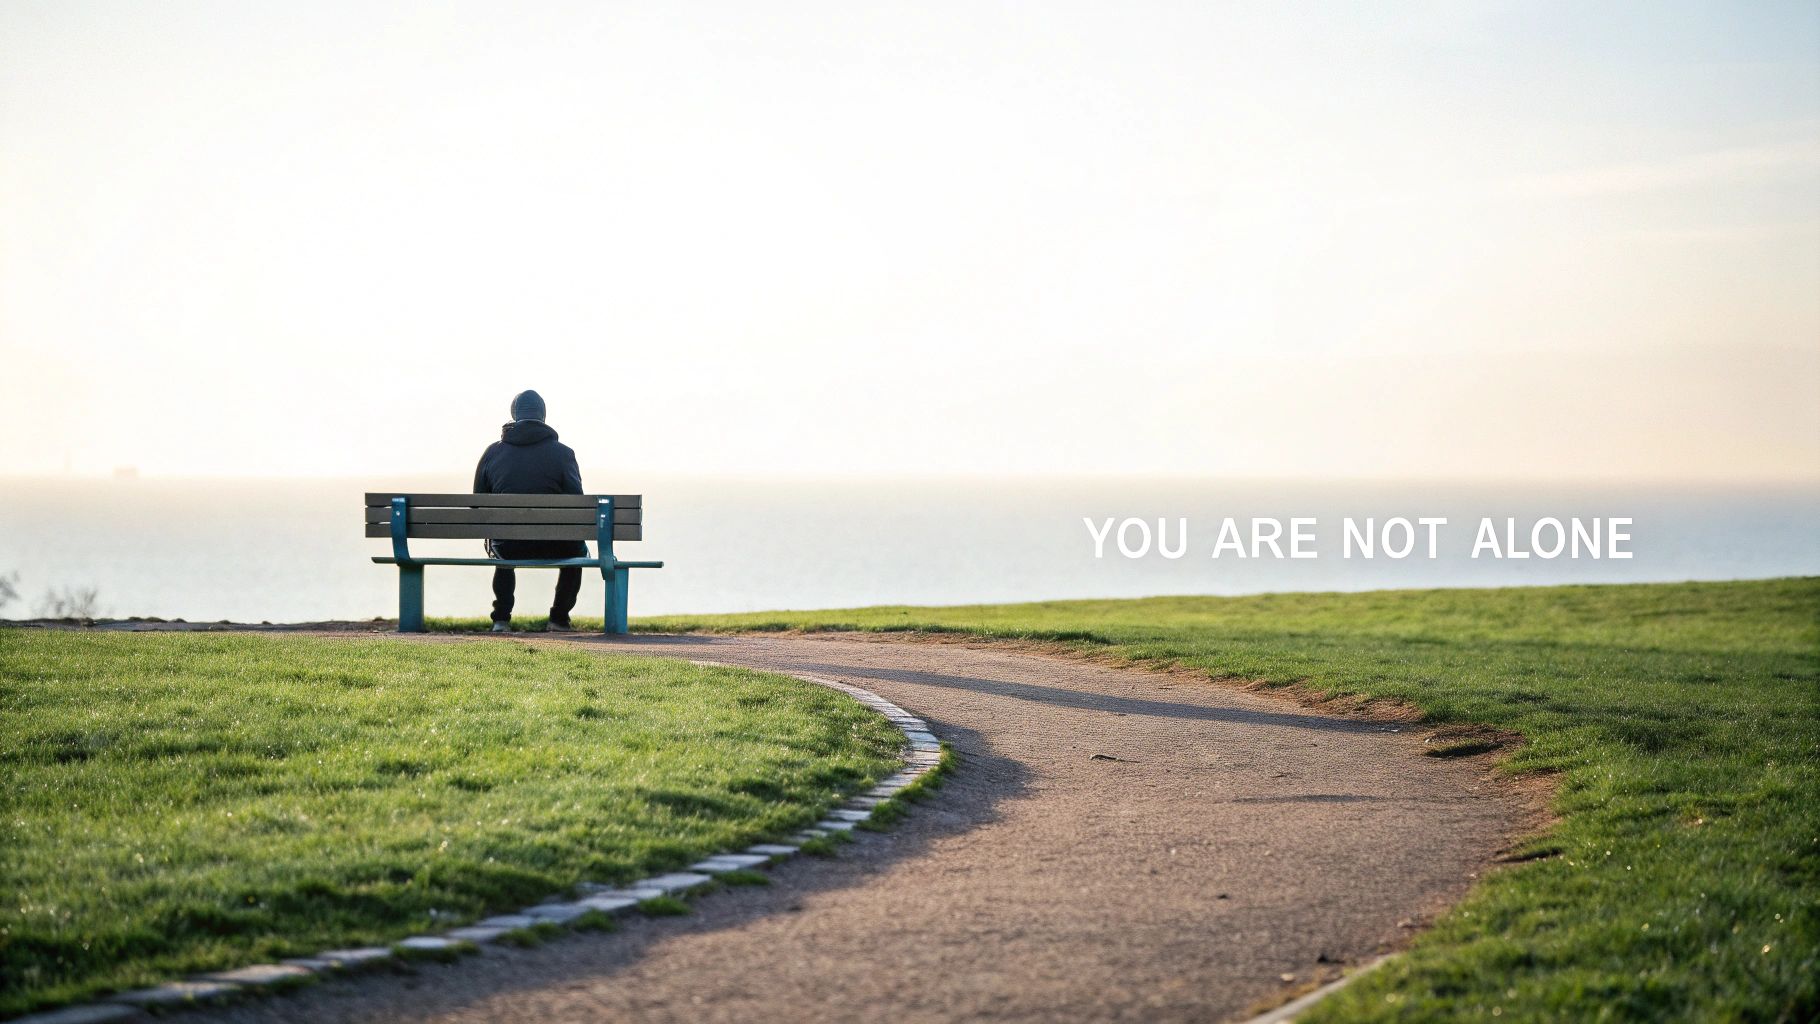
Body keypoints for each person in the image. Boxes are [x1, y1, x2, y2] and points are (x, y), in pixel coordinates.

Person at [473, 390, 586, 632]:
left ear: (514, 416)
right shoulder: (564, 454)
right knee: (579, 550)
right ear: (543, 416)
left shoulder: (492, 453)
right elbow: (578, 504)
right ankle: (559, 619)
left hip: (509, 545)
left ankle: (501, 619)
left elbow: (476, 504)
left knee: (502, 550)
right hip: (557, 545)